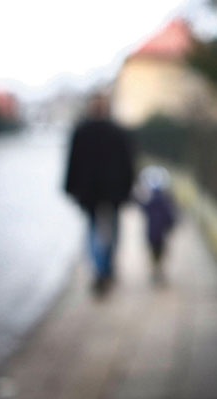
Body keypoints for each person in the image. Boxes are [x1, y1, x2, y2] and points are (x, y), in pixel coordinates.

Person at [64, 93, 135, 293]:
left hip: (91, 192)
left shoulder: (82, 131)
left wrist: (71, 188)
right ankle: (105, 267)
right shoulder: (118, 131)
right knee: (111, 230)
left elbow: (73, 162)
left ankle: (101, 268)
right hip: (112, 191)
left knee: (94, 229)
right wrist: (129, 188)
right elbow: (128, 163)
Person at [134, 165, 177, 281]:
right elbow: (170, 217)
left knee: (153, 252)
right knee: (161, 252)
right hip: (161, 234)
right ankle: (158, 269)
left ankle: (155, 269)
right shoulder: (165, 202)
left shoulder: (150, 202)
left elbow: (141, 207)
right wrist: (171, 225)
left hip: (151, 233)